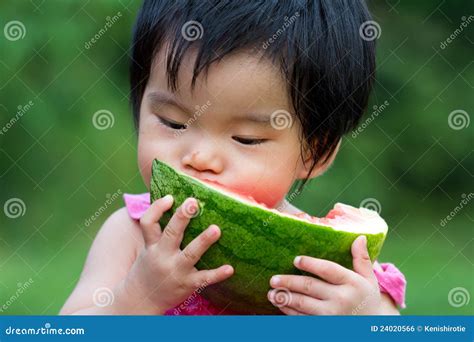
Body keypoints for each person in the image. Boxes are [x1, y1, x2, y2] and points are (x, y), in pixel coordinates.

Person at [61, 0, 406, 315]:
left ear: (316, 150)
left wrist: (364, 316)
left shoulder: (337, 268)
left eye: (246, 138)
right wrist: (136, 298)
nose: (200, 157)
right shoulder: (131, 236)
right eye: (173, 121)